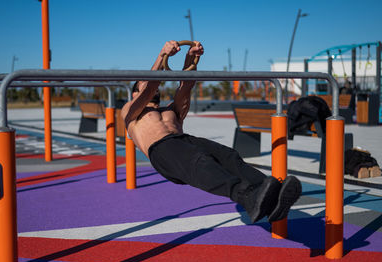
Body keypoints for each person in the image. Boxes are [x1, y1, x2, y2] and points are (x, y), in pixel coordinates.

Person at [121, 40, 302, 223]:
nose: (152, 86)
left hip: (184, 140)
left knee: (228, 156)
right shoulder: (130, 112)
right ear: (135, 94)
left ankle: (271, 193)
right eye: (141, 83)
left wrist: (191, 57)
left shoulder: (170, 109)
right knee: (201, 162)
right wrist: (162, 55)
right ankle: (247, 198)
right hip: (162, 150)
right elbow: (150, 87)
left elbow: (186, 86)